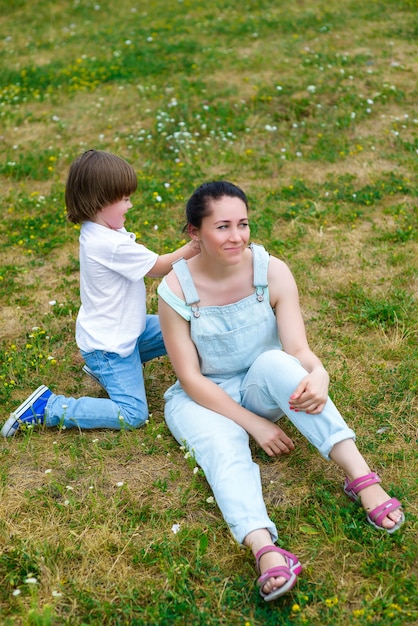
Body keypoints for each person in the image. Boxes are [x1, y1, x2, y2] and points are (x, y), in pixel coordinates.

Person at [156, 180, 405, 602]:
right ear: (194, 233)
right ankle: (264, 547)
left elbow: (297, 350)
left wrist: (319, 372)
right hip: (202, 398)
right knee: (224, 447)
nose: (236, 236)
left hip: (259, 381)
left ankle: (362, 480)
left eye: (243, 224)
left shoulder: (271, 271)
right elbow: (192, 379)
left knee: (277, 362)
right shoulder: (175, 291)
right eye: (222, 227)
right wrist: (255, 426)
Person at [1, 150, 199, 437]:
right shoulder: (108, 243)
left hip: (130, 330)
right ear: (99, 201)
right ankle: (49, 407)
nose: (130, 205)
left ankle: (108, 374)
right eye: (125, 199)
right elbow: (158, 267)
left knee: (187, 325)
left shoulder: (100, 229)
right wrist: (197, 244)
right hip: (110, 348)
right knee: (132, 414)